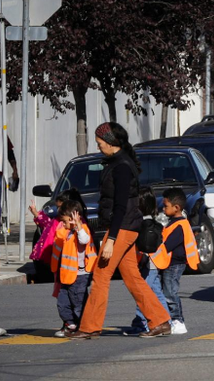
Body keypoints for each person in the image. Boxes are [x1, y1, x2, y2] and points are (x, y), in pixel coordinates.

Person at [67, 122, 170, 339]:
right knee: (132, 277)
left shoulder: (122, 166)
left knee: (101, 276)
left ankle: (89, 327)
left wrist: (111, 238)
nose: (98, 146)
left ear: (111, 142)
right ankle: (160, 320)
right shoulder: (117, 163)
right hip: (126, 227)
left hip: (121, 228)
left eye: (100, 142)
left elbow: (121, 206)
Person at [122, 187, 170, 336]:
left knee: (142, 293)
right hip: (156, 262)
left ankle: (142, 323)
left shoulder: (139, 223)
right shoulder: (153, 221)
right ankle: (166, 322)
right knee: (156, 292)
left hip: (147, 262)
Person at [50, 200, 97, 338]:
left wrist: (78, 226)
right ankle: (70, 324)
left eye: (64, 221)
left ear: (73, 219)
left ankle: (84, 326)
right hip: (67, 276)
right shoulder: (68, 233)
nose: (62, 224)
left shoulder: (82, 231)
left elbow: (84, 240)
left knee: (78, 303)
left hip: (80, 276)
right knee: (63, 302)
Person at [158, 187, 200, 335]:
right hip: (171, 263)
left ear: (176, 208)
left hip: (175, 264)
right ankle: (174, 319)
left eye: (165, 206)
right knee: (168, 291)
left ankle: (178, 321)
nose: (163, 209)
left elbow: (168, 245)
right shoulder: (174, 223)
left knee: (170, 292)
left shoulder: (179, 225)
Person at [29, 189, 87, 283]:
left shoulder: (77, 223)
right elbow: (47, 225)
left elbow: (84, 239)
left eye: (60, 207)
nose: (58, 210)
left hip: (72, 264)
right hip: (59, 260)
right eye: (58, 207)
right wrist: (36, 213)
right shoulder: (57, 220)